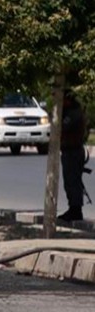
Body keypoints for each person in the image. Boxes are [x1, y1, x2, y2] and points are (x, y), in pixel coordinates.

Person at [59, 92, 88, 222]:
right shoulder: (68, 111)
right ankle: (73, 208)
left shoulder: (73, 113)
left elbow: (63, 126)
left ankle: (76, 210)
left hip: (73, 151)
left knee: (73, 182)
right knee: (69, 182)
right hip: (69, 151)